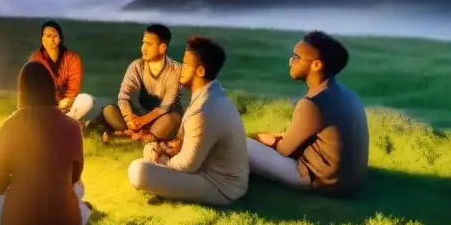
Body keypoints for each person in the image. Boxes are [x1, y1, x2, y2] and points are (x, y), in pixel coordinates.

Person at [0, 61, 91, 225]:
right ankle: (79, 208)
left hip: (19, 224)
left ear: (22, 91)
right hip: (69, 224)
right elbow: (75, 178)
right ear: (51, 89)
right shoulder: (73, 126)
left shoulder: (8, 126)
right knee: (79, 187)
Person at [127, 36, 248, 205]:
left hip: (221, 187)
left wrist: (161, 159)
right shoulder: (211, 93)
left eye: (185, 64)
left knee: (138, 171)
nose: (179, 68)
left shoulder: (204, 109)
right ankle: (166, 186)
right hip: (208, 171)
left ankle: (167, 191)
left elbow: (186, 165)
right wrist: (163, 149)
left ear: (200, 71)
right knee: (150, 150)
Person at [247, 30, 370, 196]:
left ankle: (223, 178)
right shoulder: (348, 94)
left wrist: (268, 139)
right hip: (349, 181)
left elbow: (284, 151)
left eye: (296, 58)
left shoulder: (312, 103)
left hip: (322, 182)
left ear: (316, 65)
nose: (291, 62)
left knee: (242, 144)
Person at [98, 24, 183, 142]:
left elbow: (164, 108)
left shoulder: (176, 70)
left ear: (162, 47)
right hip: (137, 116)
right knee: (109, 110)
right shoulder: (136, 66)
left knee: (173, 120)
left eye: (149, 44)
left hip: (162, 118)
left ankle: (129, 136)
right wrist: (129, 118)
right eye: (143, 43)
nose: (143, 48)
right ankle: (139, 135)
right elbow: (123, 96)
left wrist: (142, 121)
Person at [28, 20, 95, 122]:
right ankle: (66, 123)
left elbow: (74, 83)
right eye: (48, 36)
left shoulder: (72, 58)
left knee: (88, 100)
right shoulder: (35, 59)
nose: (52, 40)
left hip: (66, 105)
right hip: (45, 106)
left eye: (55, 36)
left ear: (60, 38)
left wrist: (68, 100)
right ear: (42, 39)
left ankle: (69, 121)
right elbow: (34, 87)